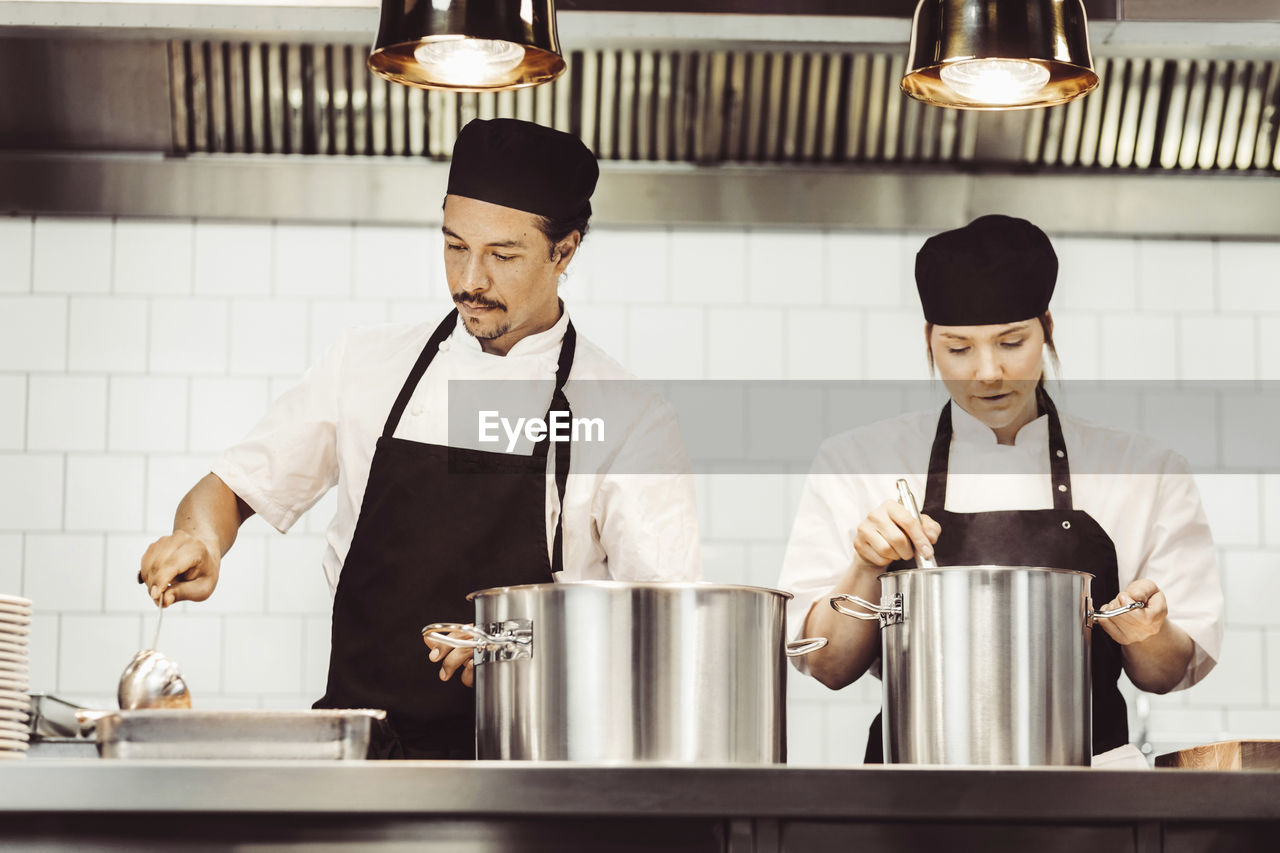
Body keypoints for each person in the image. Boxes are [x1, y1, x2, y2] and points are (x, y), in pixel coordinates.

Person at [138, 118, 701, 759]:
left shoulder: (627, 417)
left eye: (503, 255)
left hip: (533, 774)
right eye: (455, 245)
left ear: (564, 252)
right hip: (361, 764)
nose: (472, 279)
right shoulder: (365, 366)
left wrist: (519, 646)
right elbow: (231, 489)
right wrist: (202, 538)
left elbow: (663, 632)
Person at [778, 214, 1223, 762]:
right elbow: (826, 666)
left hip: (1085, 789)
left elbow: (1167, 673)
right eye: (959, 349)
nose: (987, 373)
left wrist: (1145, 630)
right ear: (929, 341)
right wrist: (866, 567)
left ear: (1047, 329)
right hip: (909, 789)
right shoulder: (857, 461)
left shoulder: (1143, 470)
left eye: (1011, 342)